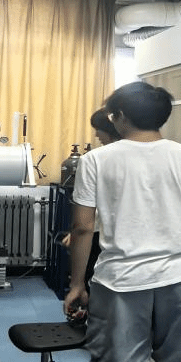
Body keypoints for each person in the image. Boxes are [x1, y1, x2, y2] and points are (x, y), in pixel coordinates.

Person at [64, 81, 181, 362]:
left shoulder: (95, 161)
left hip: (120, 281)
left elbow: (83, 228)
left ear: (121, 116)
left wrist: (77, 284)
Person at [62, 107, 121, 290]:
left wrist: (76, 284)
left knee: (92, 282)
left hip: (103, 237)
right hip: (103, 233)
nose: (96, 135)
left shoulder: (96, 159)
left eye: (98, 129)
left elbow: (96, 210)